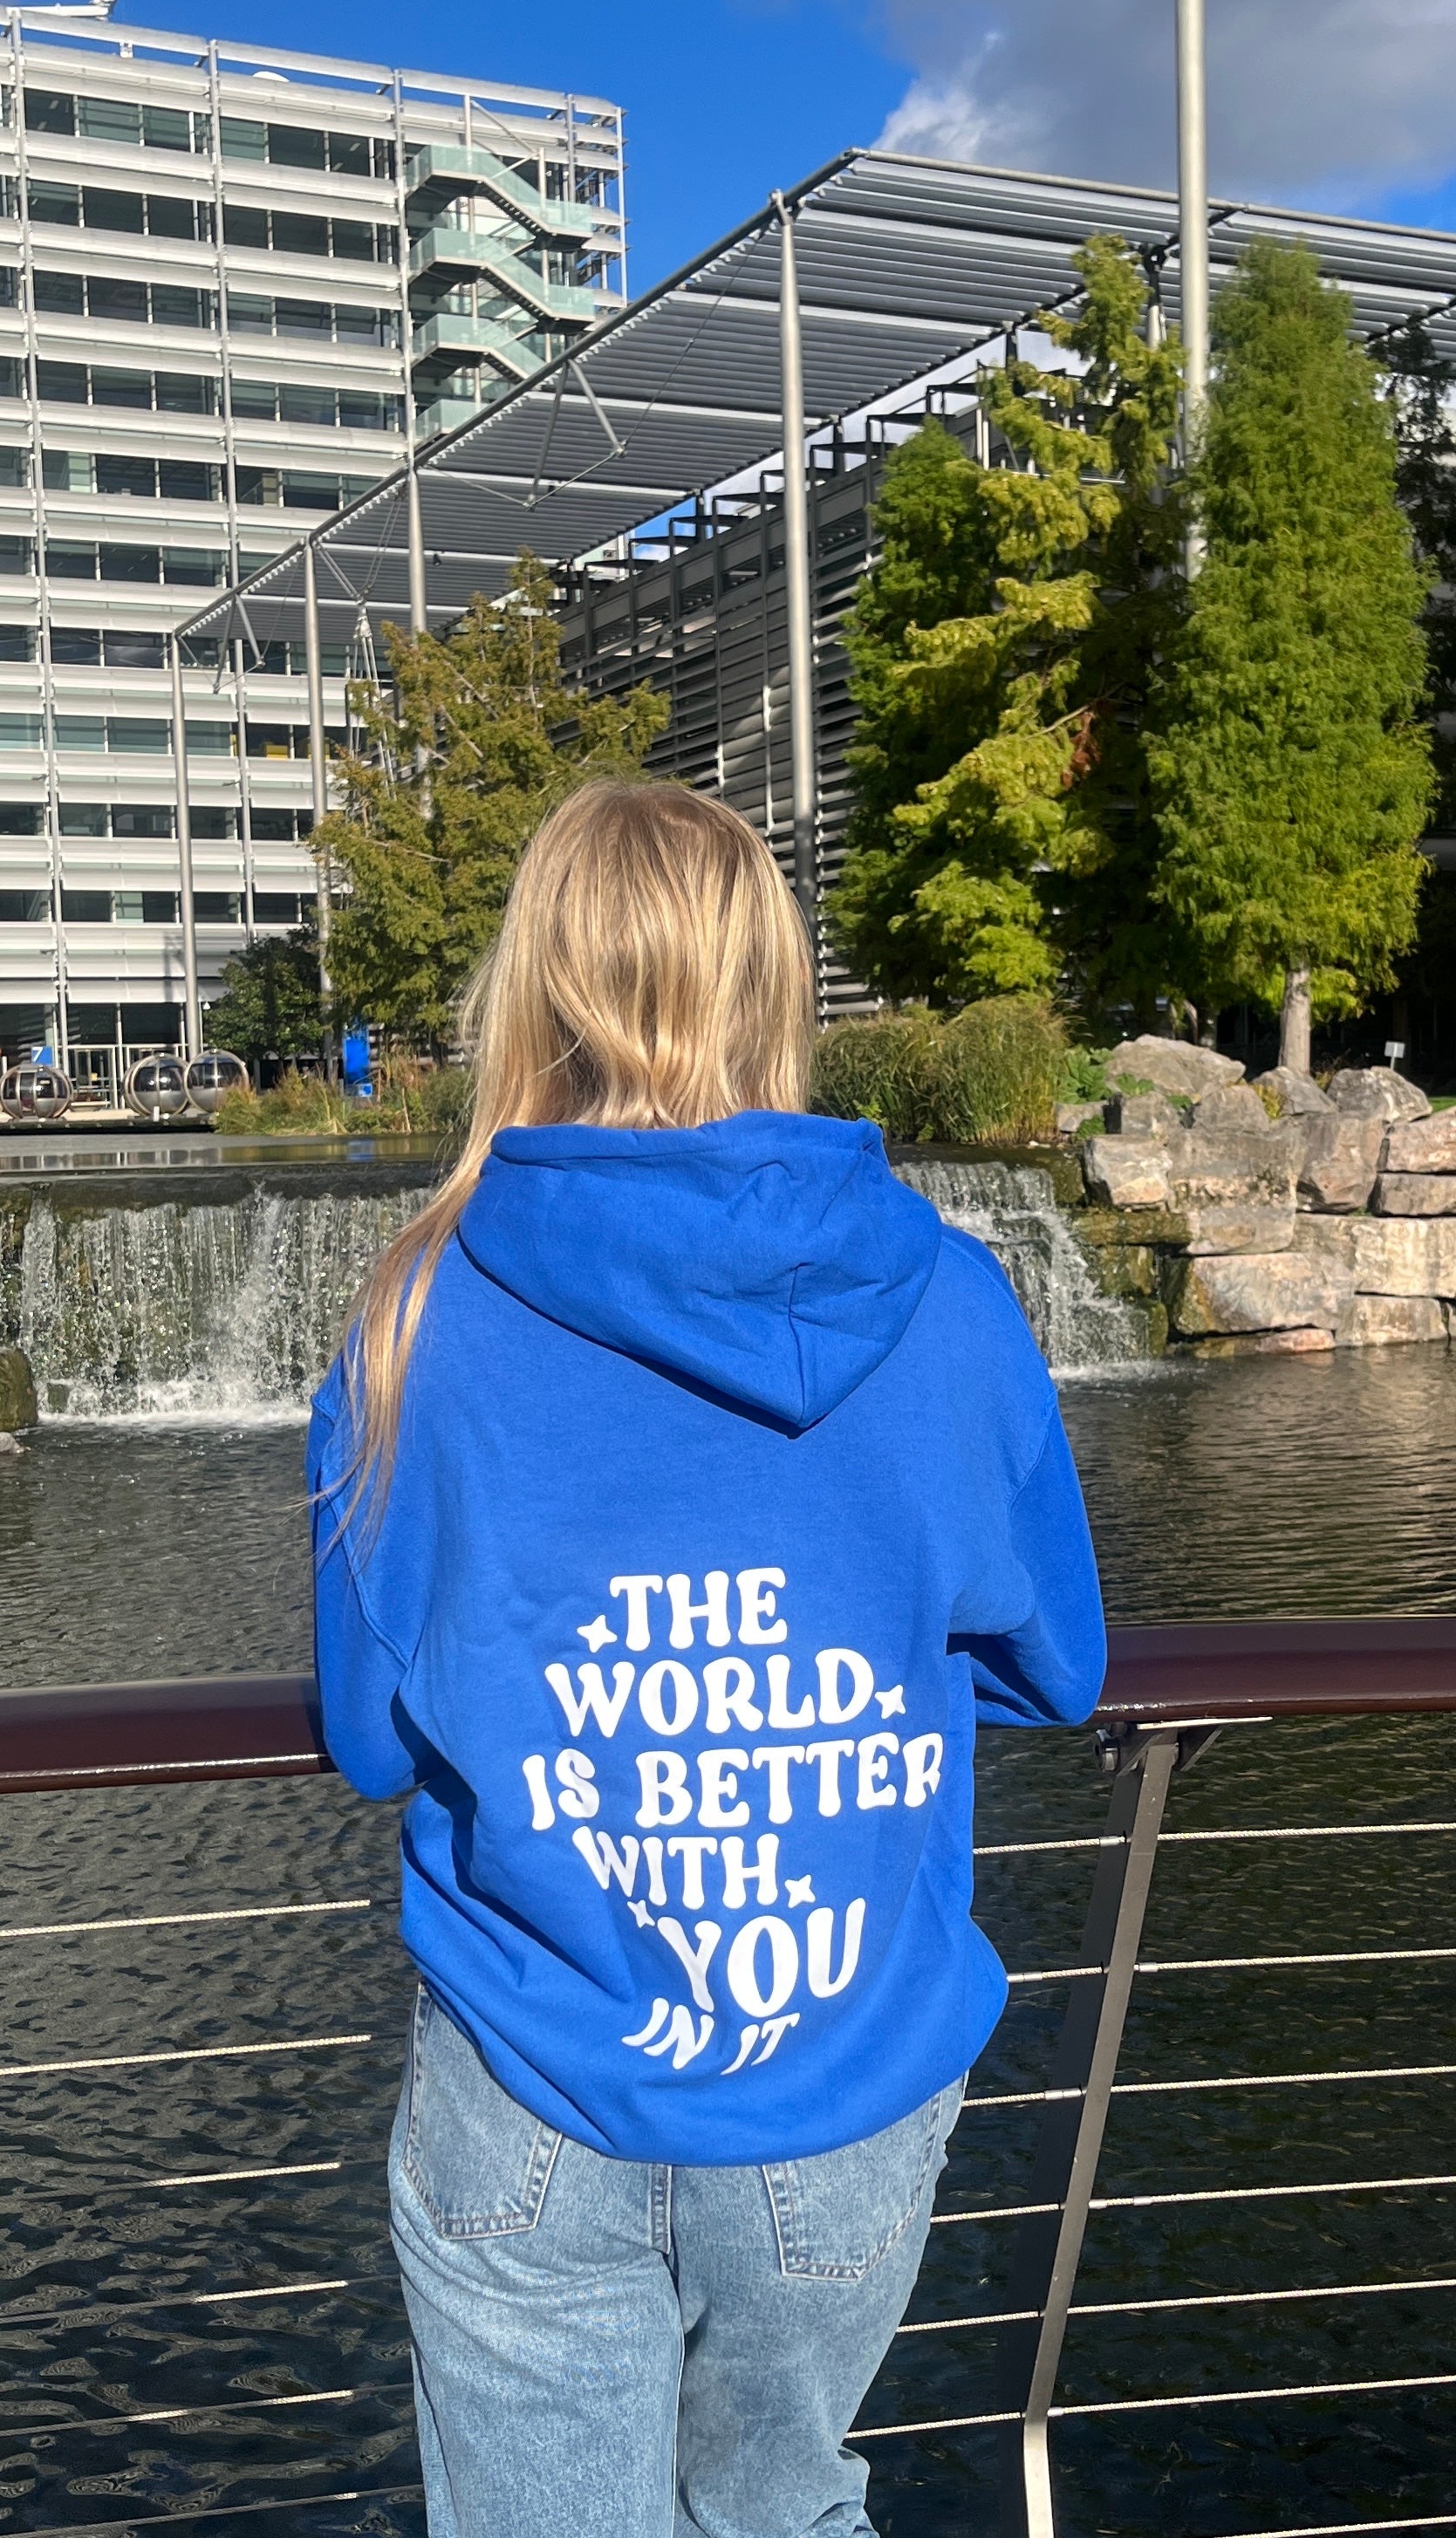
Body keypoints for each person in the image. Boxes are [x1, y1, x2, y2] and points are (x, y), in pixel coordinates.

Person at [308, 781, 1106, 2538]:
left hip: (533, 2079)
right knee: (786, 2513)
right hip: (847, 2083)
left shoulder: (415, 1314)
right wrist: (845, 1654)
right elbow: (1060, 1662)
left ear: (535, 990)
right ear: (777, 987)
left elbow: (371, 1736)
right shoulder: (958, 1301)